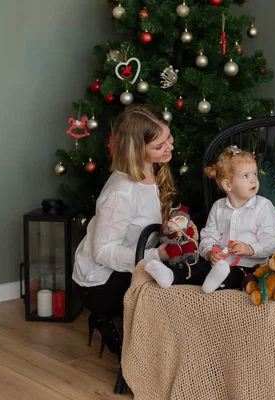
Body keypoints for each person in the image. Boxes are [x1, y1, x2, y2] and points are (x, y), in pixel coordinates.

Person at [72, 104, 178, 352]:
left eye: (168, 137)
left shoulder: (154, 170)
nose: (169, 147)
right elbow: (103, 252)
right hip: (100, 281)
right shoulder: (122, 192)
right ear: (137, 150)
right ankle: (139, 351)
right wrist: (155, 256)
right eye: (159, 146)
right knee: (168, 294)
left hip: (137, 262)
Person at [199, 145, 275, 293]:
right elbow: (208, 236)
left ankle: (216, 282)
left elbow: (272, 241)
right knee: (198, 267)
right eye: (246, 176)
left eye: (255, 174)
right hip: (221, 263)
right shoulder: (218, 207)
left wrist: (250, 249)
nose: (253, 180)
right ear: (228, 185)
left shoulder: (263, 207)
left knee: (239, 276)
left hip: (250, 267)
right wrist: (210, 253)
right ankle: (174, 274)